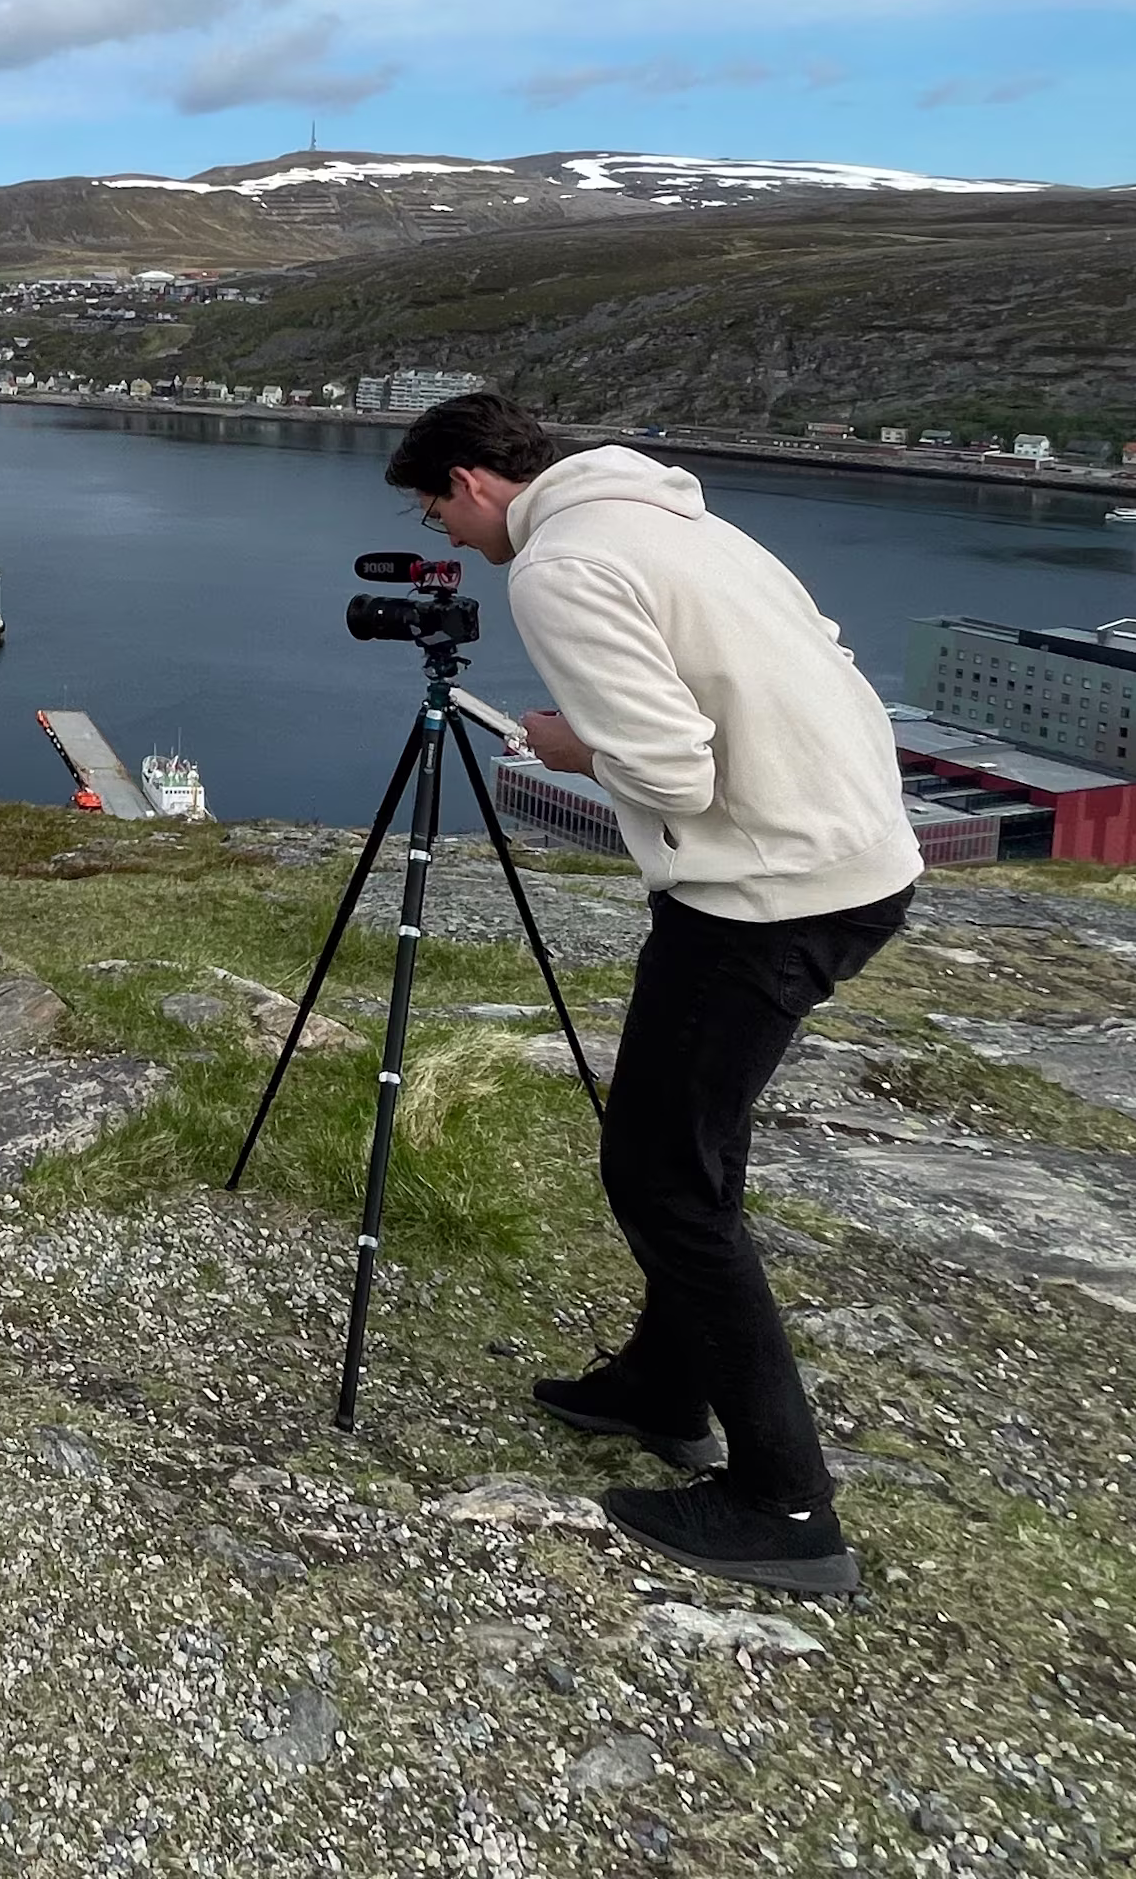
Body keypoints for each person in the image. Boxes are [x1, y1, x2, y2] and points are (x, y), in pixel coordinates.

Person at [388, 391, 919, 1597]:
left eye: (440, 513)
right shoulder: (679, 521)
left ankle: (786, 1504)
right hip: (853, 858)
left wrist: (565, 746)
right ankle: (664, 1388)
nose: (452, 541)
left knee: (664, 1177)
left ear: (475, 481)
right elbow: (828, 654)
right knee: (694, 1144)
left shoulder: (563, 565)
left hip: (766, 892)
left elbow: (672, 768)